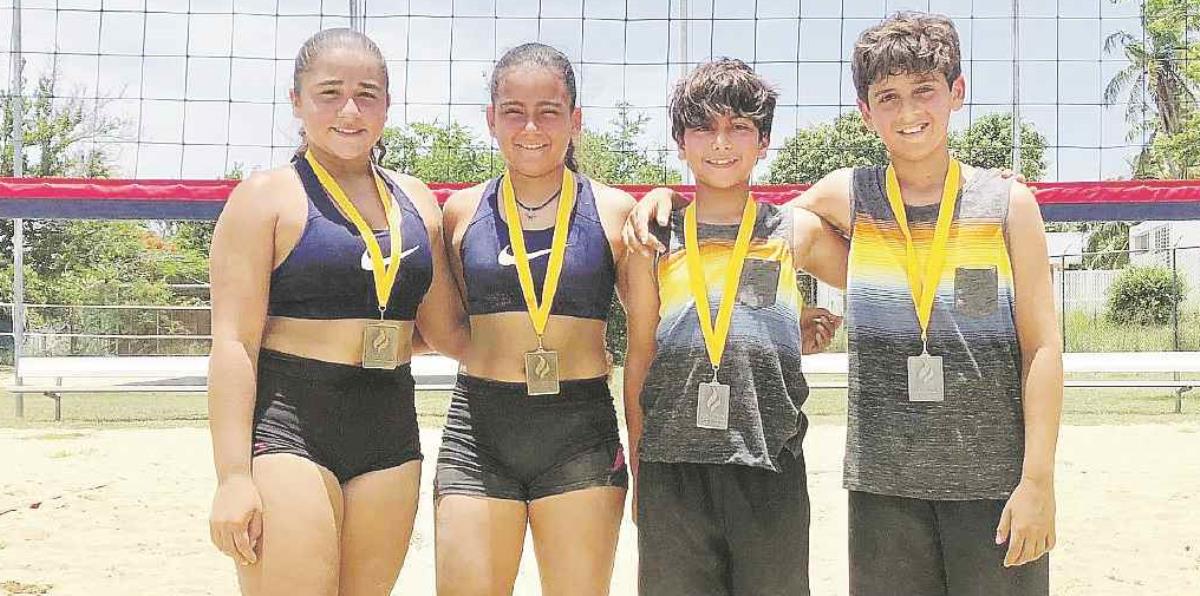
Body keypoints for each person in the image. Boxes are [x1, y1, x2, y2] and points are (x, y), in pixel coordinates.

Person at [626, 12, 1062, 596]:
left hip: (992, 481)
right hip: (882, 488)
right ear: (865, 110)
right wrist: (663, 198)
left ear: (957, 92)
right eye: (888, 97)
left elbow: (1043, 348)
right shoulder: (847, 194)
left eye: (924, 91)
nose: (908, 112)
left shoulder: (1009, 204)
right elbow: (745, 229)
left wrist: (1038, 480)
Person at [206, 28, 466, 595]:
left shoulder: (418, 200)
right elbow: (233, 343)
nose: (349, 110)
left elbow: (445, 330)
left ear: (387, 106)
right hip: (291, 425)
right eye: (330, 93)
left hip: (389, 426)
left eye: (367, 94)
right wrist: (233, 477)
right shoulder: (265, 197)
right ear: (296, 101)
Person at [621, 58, 849, 596]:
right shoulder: (653, 236)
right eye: (703, 127)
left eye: (739, 127)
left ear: (763, 141)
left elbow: (891, 263)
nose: (720, 142)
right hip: (672, 467)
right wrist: (639, 465)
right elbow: (640, 356)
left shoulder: (795, 230)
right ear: (681, 142)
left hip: (770, 461)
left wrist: (983, 192)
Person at [432, 43, 635, 596]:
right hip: (479, 429)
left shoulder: (617, 212)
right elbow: (449, 325)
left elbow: (649, 340)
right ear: (491, 118)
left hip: (580, 432)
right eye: (513, 111)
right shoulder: (460, 211)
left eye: (548, 111)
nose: (530, 127)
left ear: (575, 119)